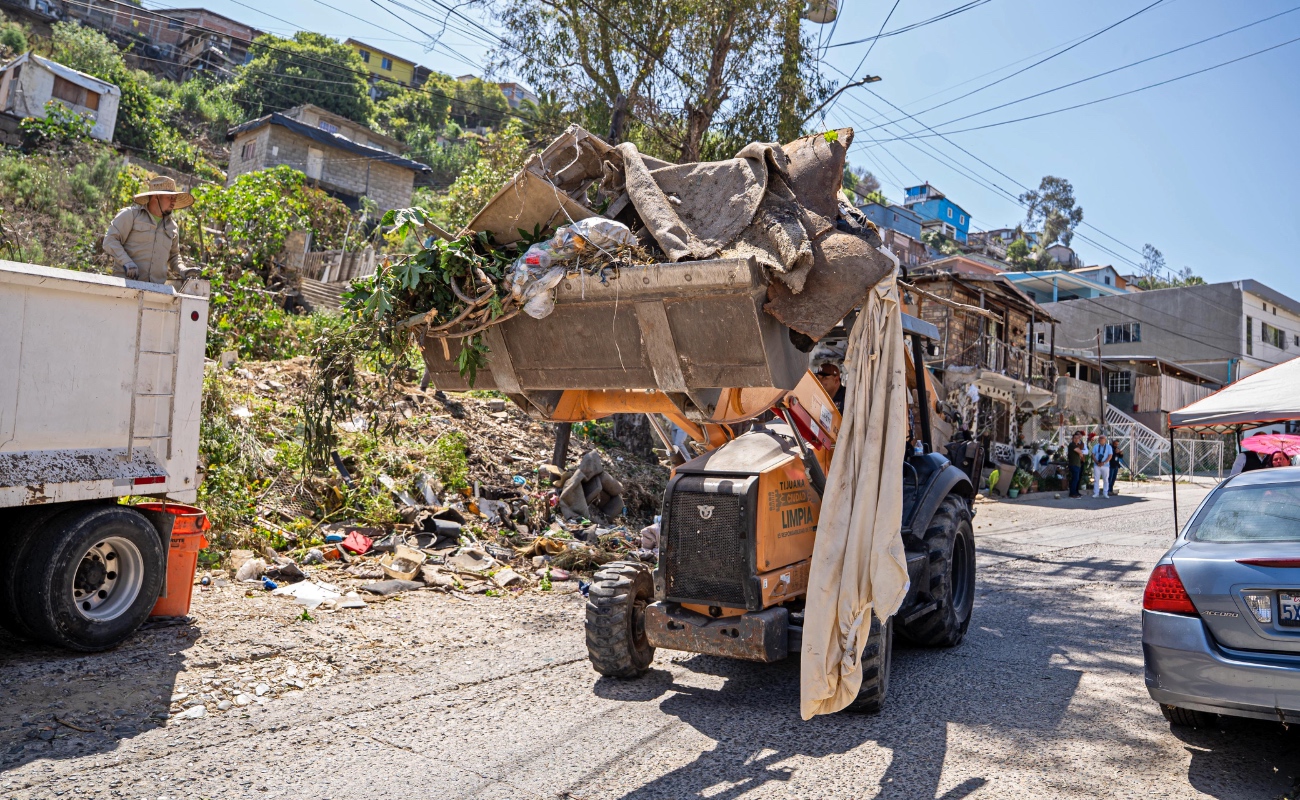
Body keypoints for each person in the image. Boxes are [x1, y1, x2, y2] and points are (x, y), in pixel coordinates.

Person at [102, 175, 196, 284]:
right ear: (156, 196)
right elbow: (110, 241)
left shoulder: (172, 227)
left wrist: (183, 270)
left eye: (174, 198)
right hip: (125, 286)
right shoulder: (131, 215)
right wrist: (127, 262)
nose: (173, 202)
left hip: (155, 290)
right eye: (170, 197)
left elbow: (174, 256)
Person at [1092, 434, 1114, 498]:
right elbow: (1093, 455)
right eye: (1100, 438)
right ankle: (1096, 493)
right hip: (1097, 465)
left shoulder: (1108, 447)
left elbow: (1110, 456)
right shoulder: (1096, 446)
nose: (1101, 440)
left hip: (1105, 465)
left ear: (1105, 440)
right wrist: (1096, 462)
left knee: (1106, 479)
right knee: (1096, 479)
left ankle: (1105, 493)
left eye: (1102, 438)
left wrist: (1104, 463)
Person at [1067, 431, 1085, 498]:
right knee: (1075, 479)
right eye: (1075, 438)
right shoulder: (1072, 445)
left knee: (1077, 479)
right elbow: (1080, 452)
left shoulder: (1077, 445)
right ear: (1072, 439)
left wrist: (1080, 453)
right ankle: (1072, 493)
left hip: (1077, 464)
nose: (1076, 439)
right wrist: (1080, 453)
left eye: (1078, 438)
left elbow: (1081, 453)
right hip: (1074, 464)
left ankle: (1076, 492)